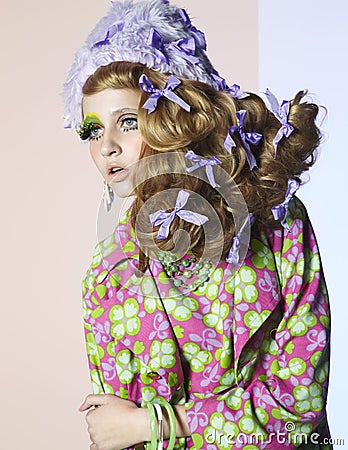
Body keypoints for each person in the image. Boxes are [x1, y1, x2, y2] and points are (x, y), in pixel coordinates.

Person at [63, 1, 331, 449]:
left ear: (172, 118)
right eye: (91, 129)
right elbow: (113, 432)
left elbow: (298, 410)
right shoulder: (107, 275)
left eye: (127, 122)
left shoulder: (279, 222)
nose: (106, 146)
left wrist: (157, 424)